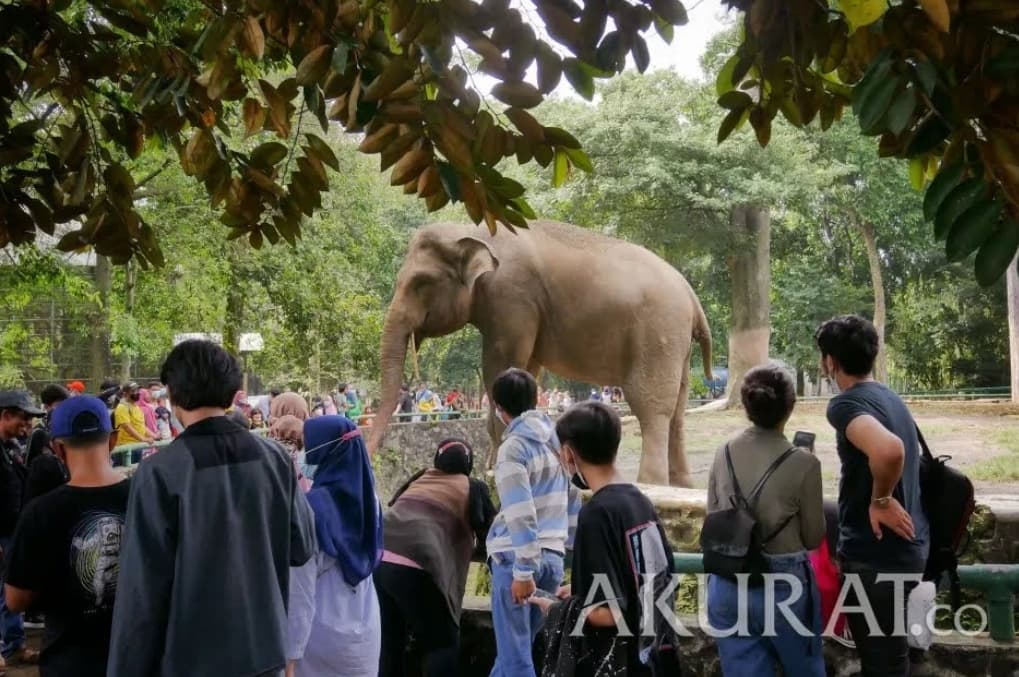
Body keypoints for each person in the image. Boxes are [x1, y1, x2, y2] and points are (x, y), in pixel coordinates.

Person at [107, 340, 316, 676]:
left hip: (193, 661)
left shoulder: (161, 472)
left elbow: (141, 595)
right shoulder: (274, 458)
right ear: (233, 392)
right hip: (264, 652)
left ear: (172, 394)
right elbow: (302, 545)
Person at [530, 401, 680, 676]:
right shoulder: (639, 502)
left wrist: (557, 608)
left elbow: (608, 613)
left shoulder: (596, 515)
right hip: (654, 656)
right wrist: (579, 591)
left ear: (568, 453)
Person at [815, 315, 929, 677]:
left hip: (877, 560)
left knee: (883, 663)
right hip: (908, 551)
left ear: (831, 362)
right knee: (893, 657)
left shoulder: (845, 405)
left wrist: (881, 500)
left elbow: (889, 451)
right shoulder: (888, 396)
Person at [705, 363, 826, 676]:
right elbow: (814, 538)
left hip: (729, 580)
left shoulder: (723, 453)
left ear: (746, 406)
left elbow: (713, 514)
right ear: (790, 406)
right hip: (786, 586)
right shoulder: (805, 464)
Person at [4, 395, 128, 676]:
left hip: (69, 663)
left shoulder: (40, 513)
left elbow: (15, 601)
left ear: (57, 448)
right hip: (136, 655)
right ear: (114, 439)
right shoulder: (146, 498)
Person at [486, 368, 580, 677]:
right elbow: (573, 499)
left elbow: (519, 510)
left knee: (515, 658)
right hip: (552, 559)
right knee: (517, 652)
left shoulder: (513, 447)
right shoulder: (556, 444)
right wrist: (567, 556)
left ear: (499, 408)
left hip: (517, 558)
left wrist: (524, 569)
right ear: (534, 398)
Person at [377, 439, 497, 677]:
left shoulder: (421, 477)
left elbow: (394, 504)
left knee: (390, 642)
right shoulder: (472, 486)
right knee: (441, 642)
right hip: (420, 563)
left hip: (380, 557)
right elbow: (491, 533)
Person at [287, 416, 383, 677]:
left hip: (320, 631)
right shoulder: (370, 501)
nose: (302, 454)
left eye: (306, 446)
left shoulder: (311, 509)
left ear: (324, 451)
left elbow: (300, 589)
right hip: (365, 624)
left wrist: (290, 655)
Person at [0, 391, 44, 669]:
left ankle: (14, 646)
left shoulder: (12, 446)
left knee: (8, 591)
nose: (28, 424)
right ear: (5, 415)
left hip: (12, 529)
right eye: (24, 417)